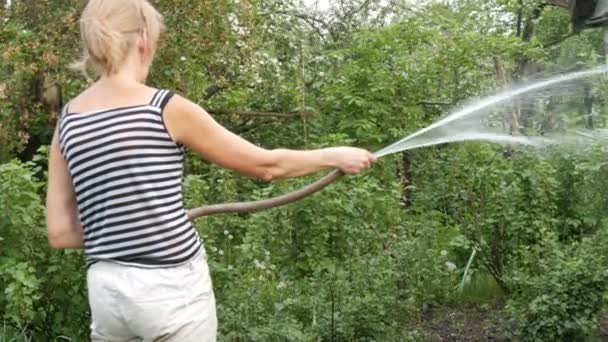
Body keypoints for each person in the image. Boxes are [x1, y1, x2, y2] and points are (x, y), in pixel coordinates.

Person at [45, 0, 376, 341]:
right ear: (144, 39)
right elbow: (266, 166)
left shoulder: (68, 120)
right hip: (169, 289)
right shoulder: (162, 108)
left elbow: (59, 233)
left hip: (106, 292)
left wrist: (125, 230)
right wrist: (334, 155)